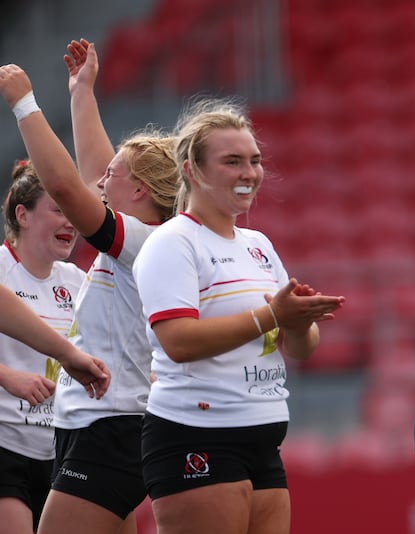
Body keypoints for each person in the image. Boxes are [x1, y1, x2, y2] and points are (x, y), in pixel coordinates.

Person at [132, 97, 345, 534]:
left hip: (262, 436)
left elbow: (297, 350)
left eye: (254, 160)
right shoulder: (173, 242)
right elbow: (178, 342)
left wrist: (299, 322)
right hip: (196, 431)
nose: (249, 173)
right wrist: (272, 315)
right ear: (192, 170)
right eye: (232, 161)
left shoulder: (258, 244)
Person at [0, 38, 180, 534]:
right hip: (102, 423)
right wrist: (82, 92)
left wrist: (24, 104)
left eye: (113, 176)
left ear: (140, 189)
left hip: (110, 424)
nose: (99, 181)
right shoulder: (143, 241)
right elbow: (91, 175)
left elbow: (65, 188)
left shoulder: (146, 239)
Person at [0, 161, 110, 534]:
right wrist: (7, 376)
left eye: (72, 212)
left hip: (60, 455)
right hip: (4, 447)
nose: (71, 222)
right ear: (22, 215)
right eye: (59, 210)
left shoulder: (77, 281)